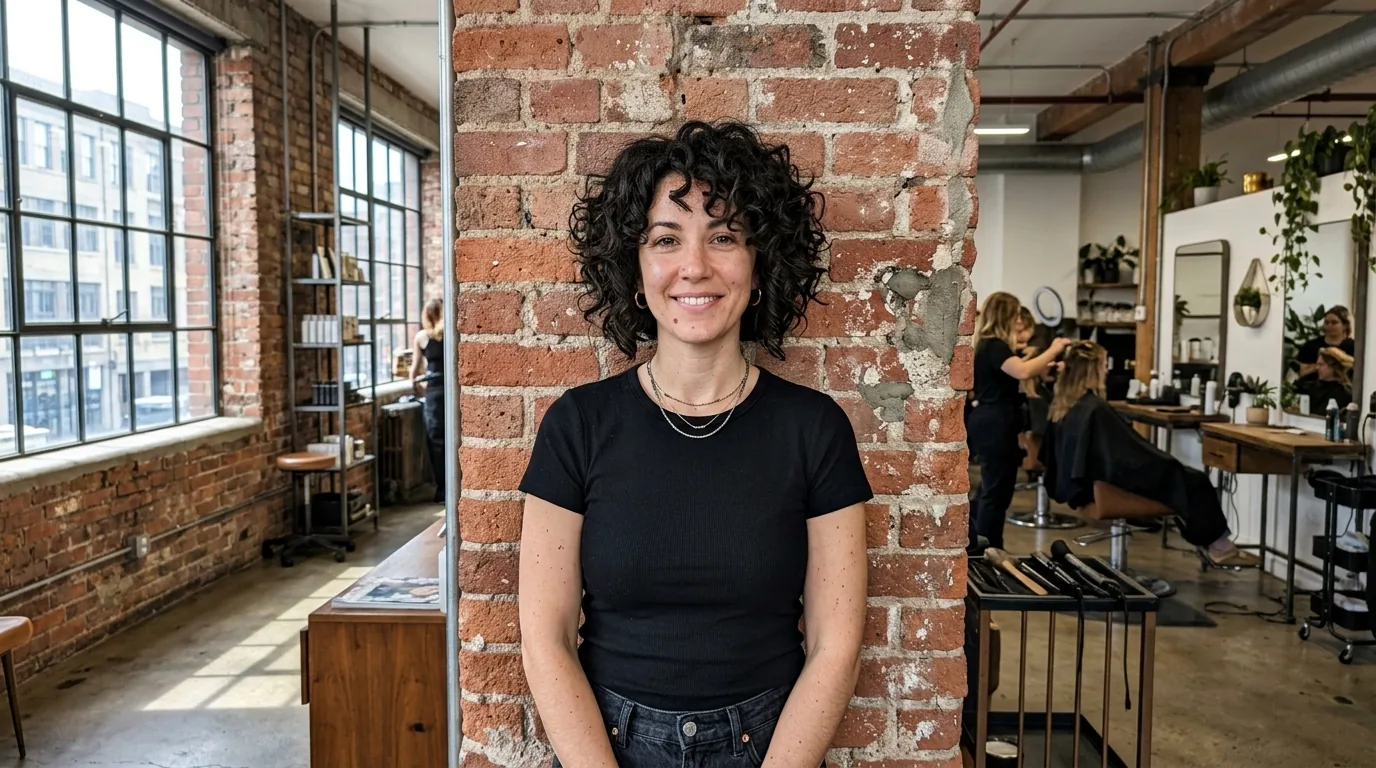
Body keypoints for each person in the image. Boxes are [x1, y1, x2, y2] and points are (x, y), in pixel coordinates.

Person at [517, 122, 872, 768]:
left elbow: (835, 643)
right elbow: (545, 638)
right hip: (610, 746)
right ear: (634, 266)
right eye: (666, 239)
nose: (695, 268)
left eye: (725, 237)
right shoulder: (577, 427)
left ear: (760, 263)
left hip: (770, 747)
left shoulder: (815, 431)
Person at [1041, 341, 1258, 568]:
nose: (1107, 370)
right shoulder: (1095, 408)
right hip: (1108, 488)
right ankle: (1219, 547)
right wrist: (1165, 463)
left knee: (1182, 478)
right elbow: (1131, 457)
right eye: (1104, 365)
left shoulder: (1066, 405)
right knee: (1196, 481)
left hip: (1085, 489)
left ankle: (1213, 544)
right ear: (1092, 369)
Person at [966, 292, 1071, 550]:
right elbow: (1023, 371)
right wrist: (1054, 349)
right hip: (995, 423)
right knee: (996, 492)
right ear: (1005, 316)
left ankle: (977, 542)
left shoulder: (991, 346)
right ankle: (989, 549)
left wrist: (1043, 364)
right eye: (1015, 316)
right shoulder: (994, 345)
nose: (1019, 322)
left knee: (992, 489)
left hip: (994, 421)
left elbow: (1021, 371)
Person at [410, 298, 446, 503]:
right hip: (450, 392)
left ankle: (442, 490)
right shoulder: (451, 334)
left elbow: (414, 373)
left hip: (433, 394)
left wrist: (419, 389)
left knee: (436, 442)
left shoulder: (422, 337)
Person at [1296, 305, 1355, 379]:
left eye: (1334, 323)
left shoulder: (1354, 347)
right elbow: (1302, 372)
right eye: (1326, 323)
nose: (1329, 326)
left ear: (1345, 326)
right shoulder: (1311, 346)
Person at [1297, 346, 1354, 414]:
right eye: (1317, 364)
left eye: (1321, 364)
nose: (1317, 368)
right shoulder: (1309, 388)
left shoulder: (1344, 393)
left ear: (1333, 366)